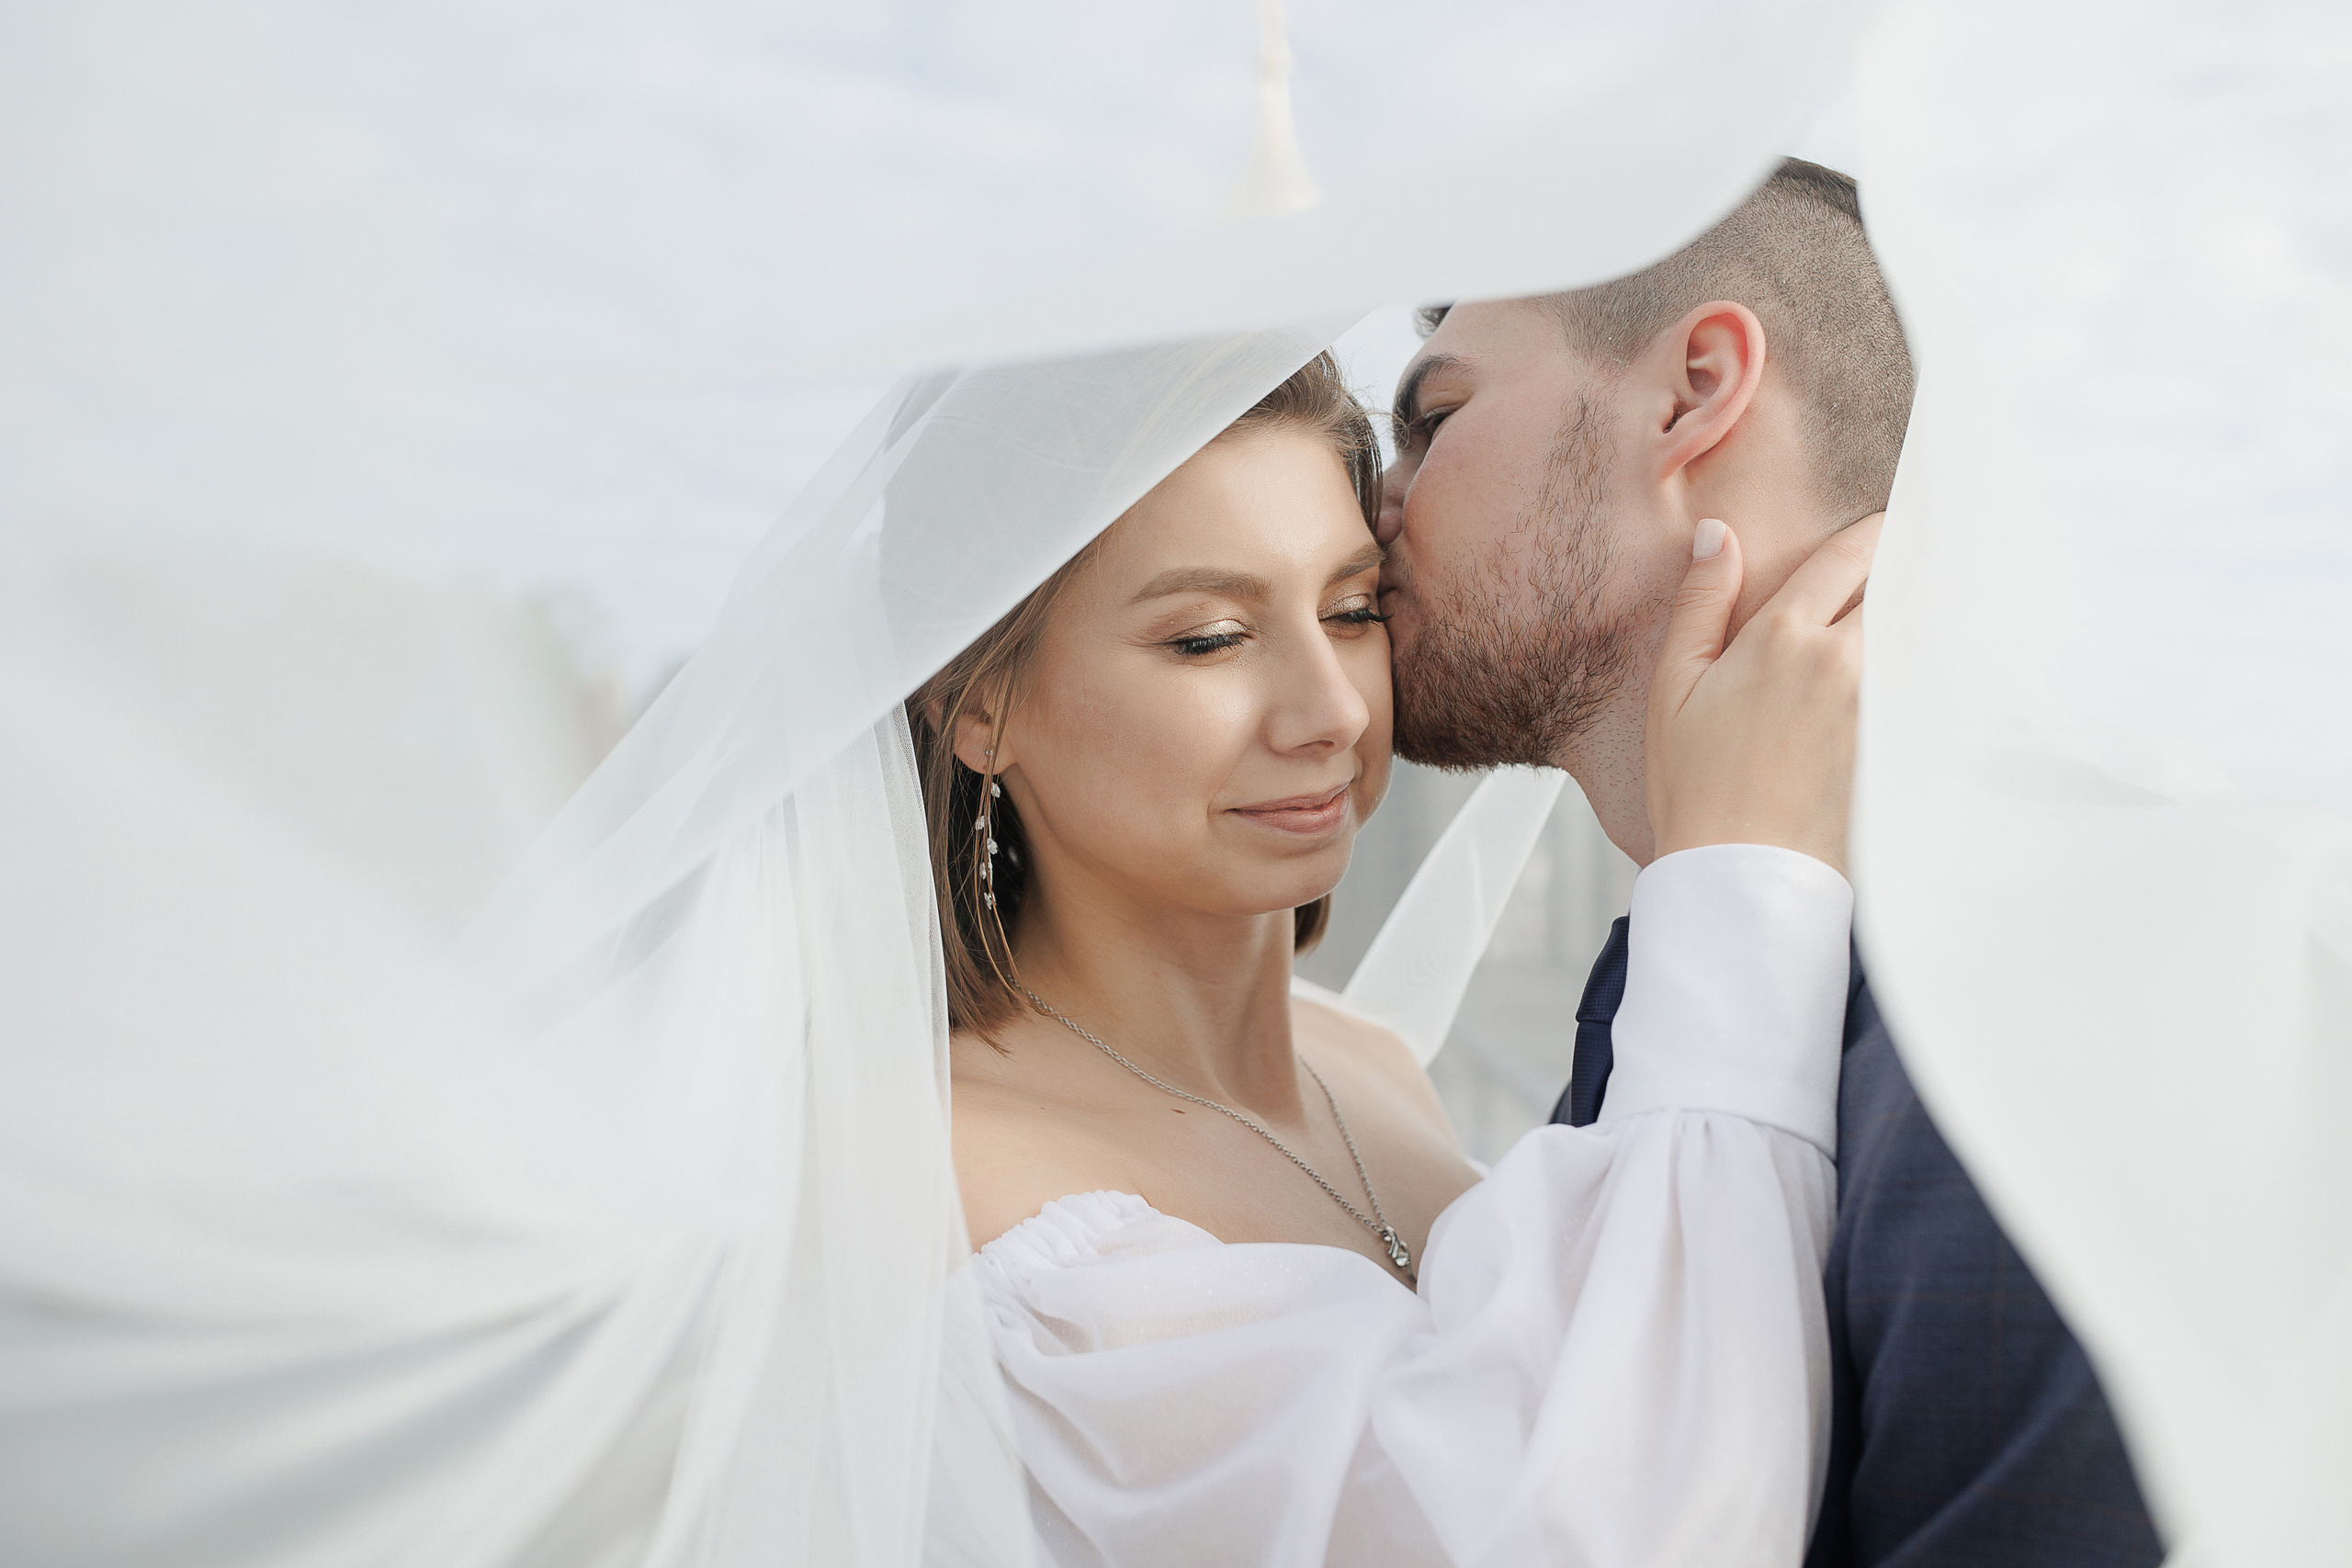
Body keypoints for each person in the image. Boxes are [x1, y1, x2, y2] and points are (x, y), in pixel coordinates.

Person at [910, 350, 1868, 1564]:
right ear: (978, 703)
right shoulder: (957, 1187)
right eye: (1209, 638)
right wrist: (1743, 874)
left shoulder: (1372, 1065)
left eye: (1354, 610)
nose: (1335, 710)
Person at [1375, 158, 2164, 1566]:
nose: (1378, 506)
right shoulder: (1669, 989)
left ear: (1694, 393)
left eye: (1435, 420)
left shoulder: (2065, 974)